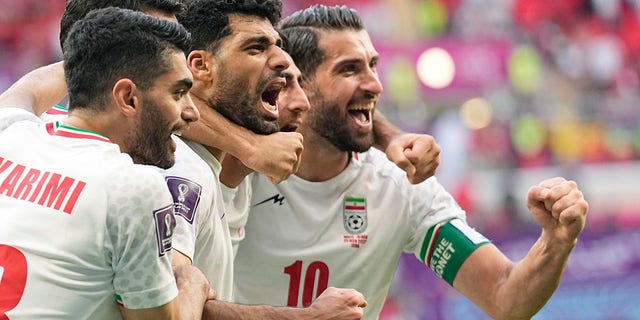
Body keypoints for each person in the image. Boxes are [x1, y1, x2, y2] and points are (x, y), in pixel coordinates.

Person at [225, 5, 590, 320]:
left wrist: (556, 243)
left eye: (373, 65)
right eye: (350, 69)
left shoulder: (400, 185)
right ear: (296, 83)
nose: (375, 84)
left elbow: (505, 296)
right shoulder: (238, 168)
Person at [0, 7, 214, 319]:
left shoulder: (12, 138)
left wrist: (97, 54)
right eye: (178, 92)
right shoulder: (131, 187)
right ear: (128, 97)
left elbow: (26, 91)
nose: (192, 112)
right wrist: (192, 285)